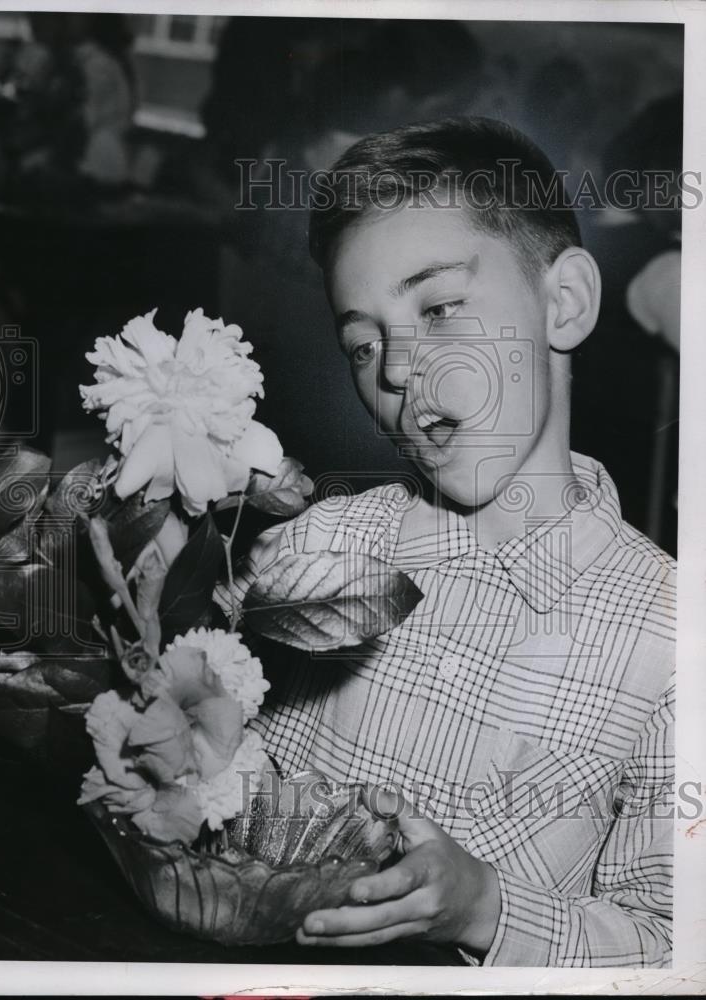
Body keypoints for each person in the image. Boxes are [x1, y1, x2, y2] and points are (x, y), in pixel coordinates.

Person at [225, 118, 675, 966]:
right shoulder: (315, 550)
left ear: (564, 302)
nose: (394, 369)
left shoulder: (669, 635)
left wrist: (484, 909)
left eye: (438, 308)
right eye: (361, 343)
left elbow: (667, 944)